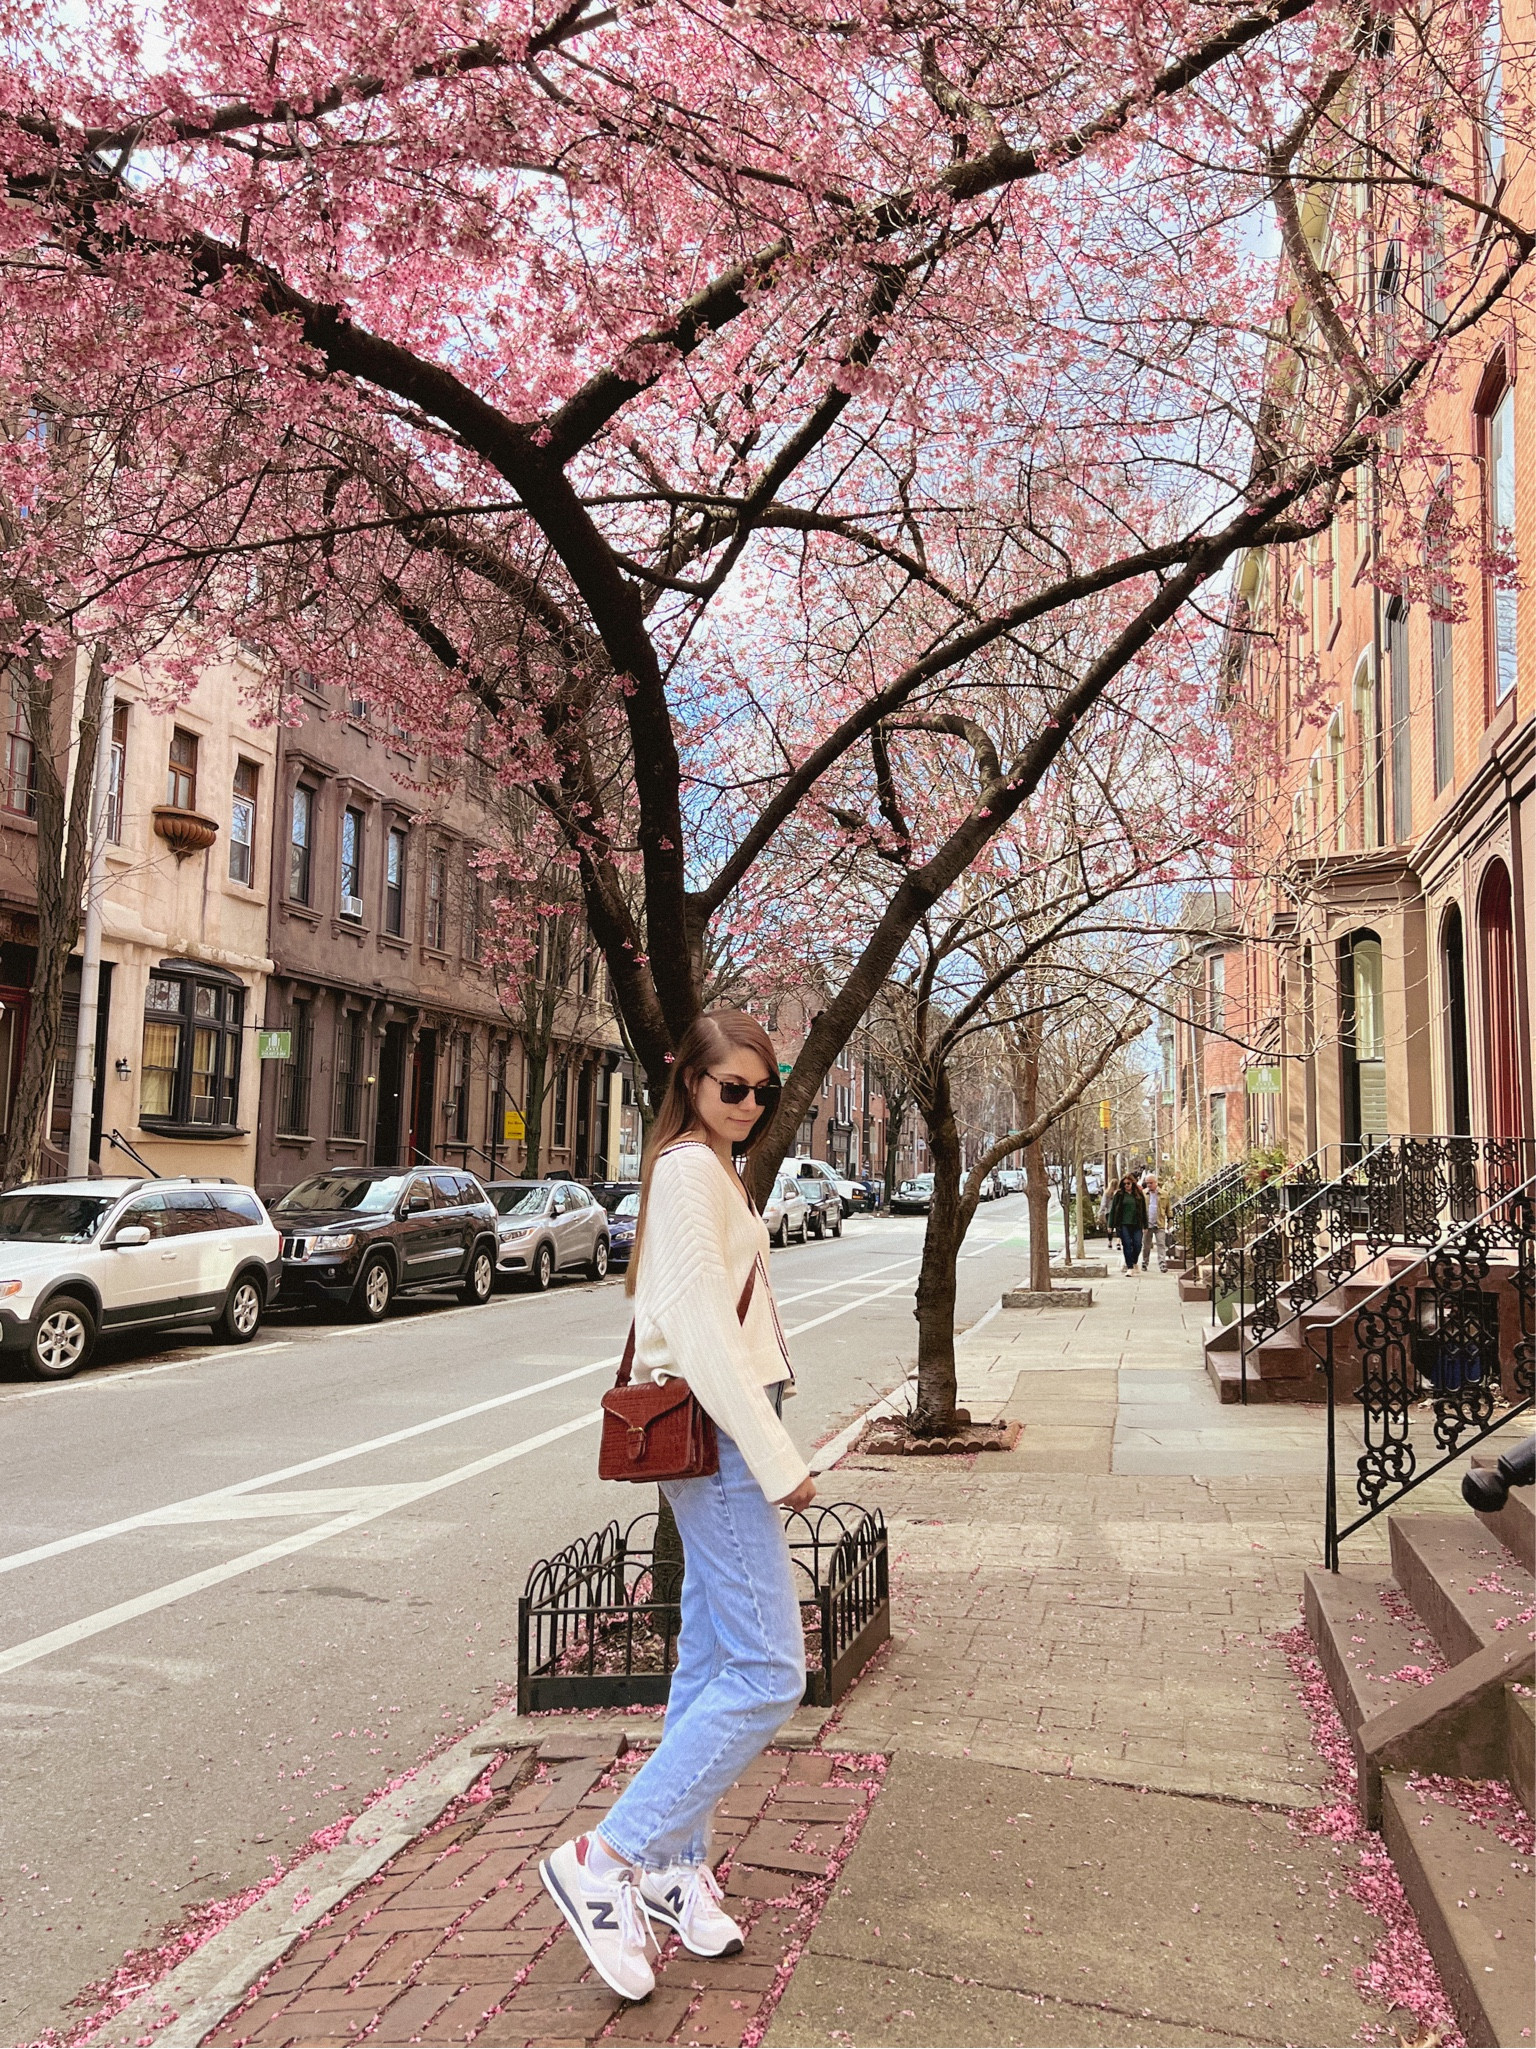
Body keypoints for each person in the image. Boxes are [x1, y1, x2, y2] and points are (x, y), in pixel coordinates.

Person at [539, 1010, 814, 2001]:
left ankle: (668, 1867)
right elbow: (697, 1328)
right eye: (730, 1087)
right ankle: (608, 1859)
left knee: (706, 1660)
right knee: (771, 1671)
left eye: (761, 1092)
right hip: (723, 1432)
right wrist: (777, 1455)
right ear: (691, 1085)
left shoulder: (706, 1169)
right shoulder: (692, 1170)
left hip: (720, 1426)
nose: (747, 1105)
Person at [1106, 1173, 1147, 1273]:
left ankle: (1134, 1261)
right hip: (1123, 1224)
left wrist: (1145, 1225)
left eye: (1128, 1183)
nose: (1126, 1185)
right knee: (1127, 1244)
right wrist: (1110, 1225)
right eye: (1124, 1184)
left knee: (1138, 1244)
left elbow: (1143, 1210)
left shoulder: (1139, 1194)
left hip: (1137, 1223)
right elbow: (1113, 1210)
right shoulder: (1119, 1195)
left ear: (1133, 1183)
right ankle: (1130, 1267)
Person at [1140, 1169, 1165, 1271]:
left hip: (1159, 1223)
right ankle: (1144, 1262)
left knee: (1161, 1244)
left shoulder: (1164, 1194)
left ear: (1156, 1182)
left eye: (1151, 1183)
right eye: (1147, 1183)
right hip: (1147, 1223)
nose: (1149, 1185)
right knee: (1146, 1245)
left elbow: (1168, 1208)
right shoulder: (1143, 1194)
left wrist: (1170, 1219)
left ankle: (1162, 1264)